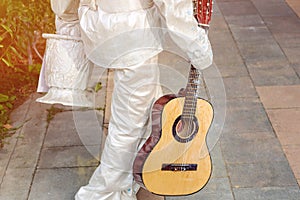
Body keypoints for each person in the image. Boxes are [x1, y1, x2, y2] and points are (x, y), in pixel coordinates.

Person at [49, 0, 213, 199]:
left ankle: (143, 172)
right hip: (134, 35)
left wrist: (67, 20)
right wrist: (198, 47)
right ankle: (104, 192)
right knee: (127, 127)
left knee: (154, 111)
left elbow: (63, 5)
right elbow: (172, 5)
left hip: (98, 23)